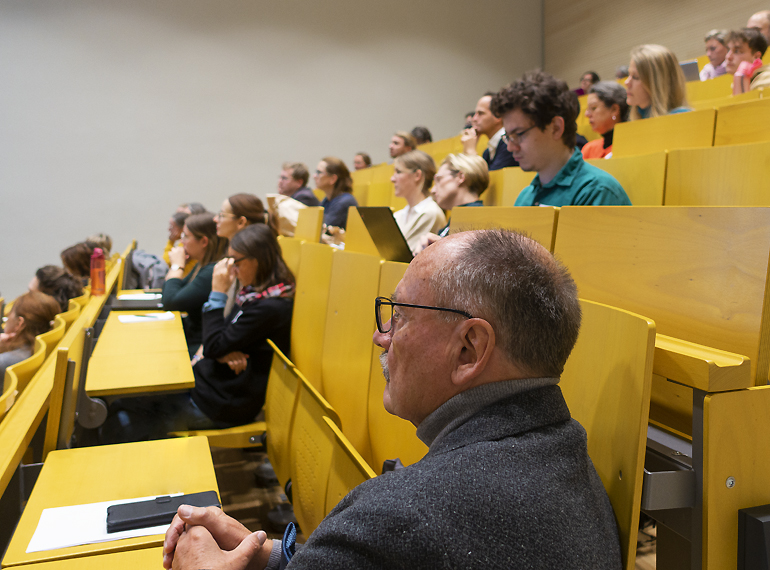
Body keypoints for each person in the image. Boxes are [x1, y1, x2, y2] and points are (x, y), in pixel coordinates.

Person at [162, 229, 623, 570]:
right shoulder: (566, 455)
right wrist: (265, 555)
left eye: (398, 317)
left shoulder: (403, 515)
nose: (381, 337)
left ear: (469, 350)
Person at [103, 225, 294, 443]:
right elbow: (217, 338)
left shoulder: (270, 307)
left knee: (125, 416)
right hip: (208, 384)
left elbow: (213, 342)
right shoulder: (253, 295)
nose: (231, 270)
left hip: (220, 403)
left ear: (257, 260)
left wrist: (218, 293)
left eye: (235, 262)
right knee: (123, 402)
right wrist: (220, 350)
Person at [490, 70, 632, 206]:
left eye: (519, 134)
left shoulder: (597, 192)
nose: (510, 147)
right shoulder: (524, 198)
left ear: (556, 128)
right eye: (509, 137)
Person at [162, 212, 228, 355]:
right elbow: (170, 290)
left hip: (199, 345)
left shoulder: (212, 271)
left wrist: (177, 266)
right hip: (191, 338)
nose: (181, 241)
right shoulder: (201, 265)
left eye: (185, 236)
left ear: (204, 241)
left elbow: (171, 301)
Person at [419, 153, 488, 250]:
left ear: (460, 177)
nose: (433, 190)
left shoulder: (480, 220)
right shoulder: (455, 218)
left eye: (439, 179)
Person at [390, 150, 446, 254]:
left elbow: (400, 255)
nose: (392, 179)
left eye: (398, 172)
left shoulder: (430, 213)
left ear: (417, 175)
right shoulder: (399, 215)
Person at [0, 291, 60, 379]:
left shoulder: (5, 362)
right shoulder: (40, 352)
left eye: (11, 312)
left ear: (19, 323)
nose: (7, 317)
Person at [625, 44, 690, 120]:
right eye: (628, 75)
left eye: (635, 77)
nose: (627, 82)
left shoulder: (682, 117)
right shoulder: (637, 119)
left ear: (656, 84)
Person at [461, 92, 519, 171]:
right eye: (475, 114)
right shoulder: (487, 153)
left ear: (497, 116)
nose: (474, 119)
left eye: (480, 113)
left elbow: (485, 181)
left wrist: (470, 151)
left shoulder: (508, 145)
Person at [581, 81, 630, 159]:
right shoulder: (588, 149)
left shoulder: (630, 147)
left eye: (593, 108)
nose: (587, 114)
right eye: (587, 109)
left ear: (614, 110)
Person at [315, 157, 358, 231]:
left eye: (319, 172)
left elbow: (322, 229)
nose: (314, 176)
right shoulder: (326, 200)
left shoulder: (345, 201)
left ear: (333, 179)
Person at [725, 28, 770, 93]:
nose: (728, 57)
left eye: (737, 51)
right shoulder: (741, 81)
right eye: (728, 50)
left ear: (756, 56)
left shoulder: (767, 81)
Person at [164, 210, 196, 277]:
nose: (169, 229)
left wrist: (170, 242)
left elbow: (166, 262)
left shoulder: (185, 245)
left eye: (172, 226)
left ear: (182, 228)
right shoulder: (182, 243)